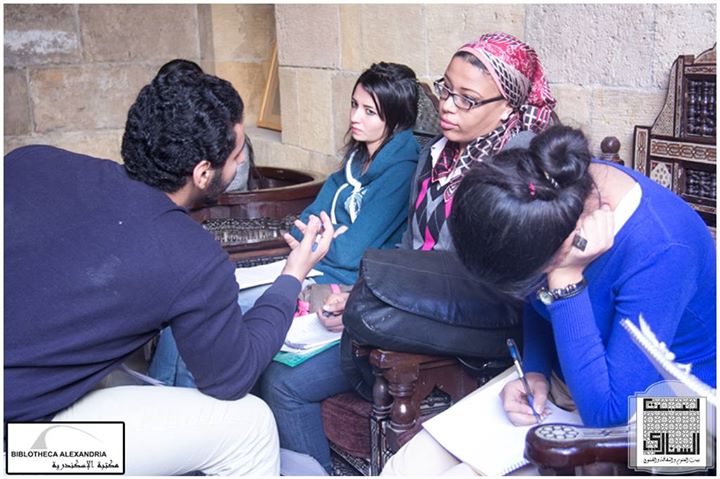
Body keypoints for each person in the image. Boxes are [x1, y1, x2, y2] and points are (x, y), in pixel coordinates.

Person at [4, 59, 334, 476]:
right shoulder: (189, 254)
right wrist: (292, 275)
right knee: (251, 425)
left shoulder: (29, 161)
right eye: (236, 156)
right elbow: (231, 378)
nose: (239, 166)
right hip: (23, 448)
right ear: (203, 172)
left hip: (30, 401)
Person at [261, 33, 557, 473]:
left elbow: (490, 281)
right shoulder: (435, 155)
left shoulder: (518, 168)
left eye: (467, 99)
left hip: (472, 320)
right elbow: (408, 250)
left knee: (286, 382)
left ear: (507, 107)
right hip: (413, 305)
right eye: (446, 89)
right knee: (277, 367)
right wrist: (362, 294)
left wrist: (372, 301)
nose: (447, 106)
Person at [381, 125, 716, 475]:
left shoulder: (663, 250)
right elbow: (538, 302)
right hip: (577, 377)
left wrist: (566, 281)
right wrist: (535, 371)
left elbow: (611, 413)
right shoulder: (551, 196)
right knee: (406, 467)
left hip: (683, 416)